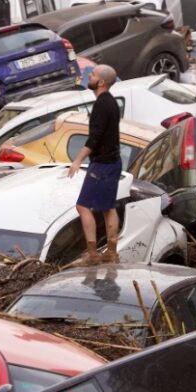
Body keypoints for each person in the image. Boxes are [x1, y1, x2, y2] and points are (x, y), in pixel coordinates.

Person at [67, 64, 121, 265]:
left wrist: (78, 160)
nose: (89, 75)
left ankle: (92, 255)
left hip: (103, 164)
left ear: (101, 82)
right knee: (108, 207)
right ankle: (112, 253)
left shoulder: (102, 104)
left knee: (82, 206)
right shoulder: (112, 103)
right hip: (113, 161)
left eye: (94, 74)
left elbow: (94, 138)